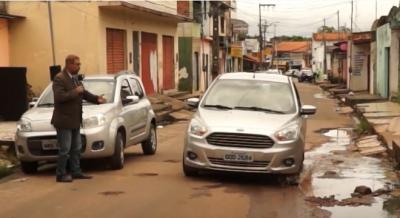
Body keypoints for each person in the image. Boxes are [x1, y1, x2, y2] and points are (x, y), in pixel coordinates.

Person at [51, 55, 106, 183]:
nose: (79, 66)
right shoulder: (59, 78)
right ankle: (61, 174)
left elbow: (84, 93)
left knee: (76, 148)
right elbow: (59, 97)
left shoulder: (75, 79)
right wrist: (75, 91)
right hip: (64, 121)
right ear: (69, 64)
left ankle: (76, 171)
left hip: (75, 120)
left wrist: (97, 99)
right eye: (77, 64)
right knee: (65, 149)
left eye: (79, 64)